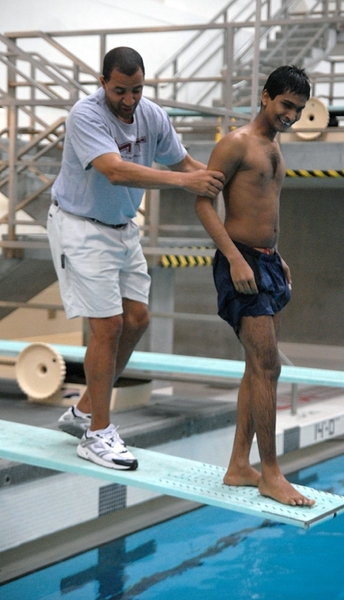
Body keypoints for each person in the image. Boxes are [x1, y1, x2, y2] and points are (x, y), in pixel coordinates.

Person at [47, 47, 224, 471]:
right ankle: (97, 435)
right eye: (120, 90)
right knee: (107, 326)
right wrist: (186, 181)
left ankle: (83, 411)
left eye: (137, 89)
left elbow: (182, 161)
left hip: (122, 227)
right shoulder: (85, 116)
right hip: (81, 226)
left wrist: (226, 182)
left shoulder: (152, 115)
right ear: (104, 82)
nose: (129, 99)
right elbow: (116, 170)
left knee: (138, 318)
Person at [195, 65, 315, 506]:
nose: (292, 115)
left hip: (265, 263)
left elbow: (262, 207)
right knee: (269, 368)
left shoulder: (274, 146)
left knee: (256, 367)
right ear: (265, 96)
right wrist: (233, 258)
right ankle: (271, 473)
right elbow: (203, 203)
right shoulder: (236, 144)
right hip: (240, 262)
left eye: (299, 110)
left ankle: (238, 466)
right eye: (286, 105)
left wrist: (274, 254)